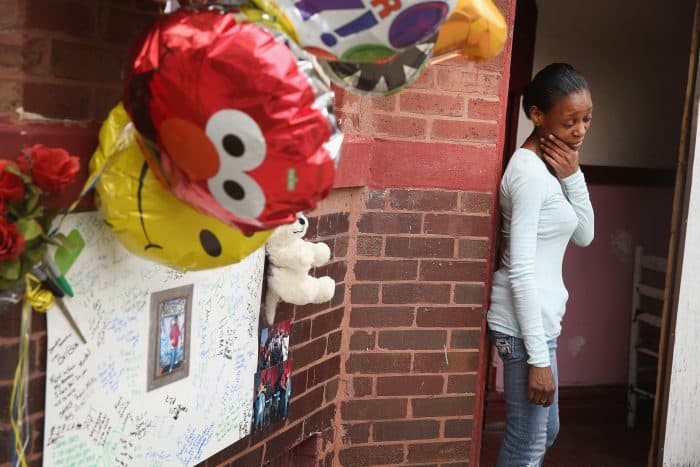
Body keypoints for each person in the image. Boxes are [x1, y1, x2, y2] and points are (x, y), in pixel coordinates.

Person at [488, 63, 595, 466]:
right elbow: (521, 269)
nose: (581, 129)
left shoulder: (555, 171)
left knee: (546, 431)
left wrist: (574, 176)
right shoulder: (530, 174)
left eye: (586, 119)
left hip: (541, 324)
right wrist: (536, 359)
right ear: (537, 115)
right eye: (570, 121)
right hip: (521, 327)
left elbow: (584, 234)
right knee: (526, 445)